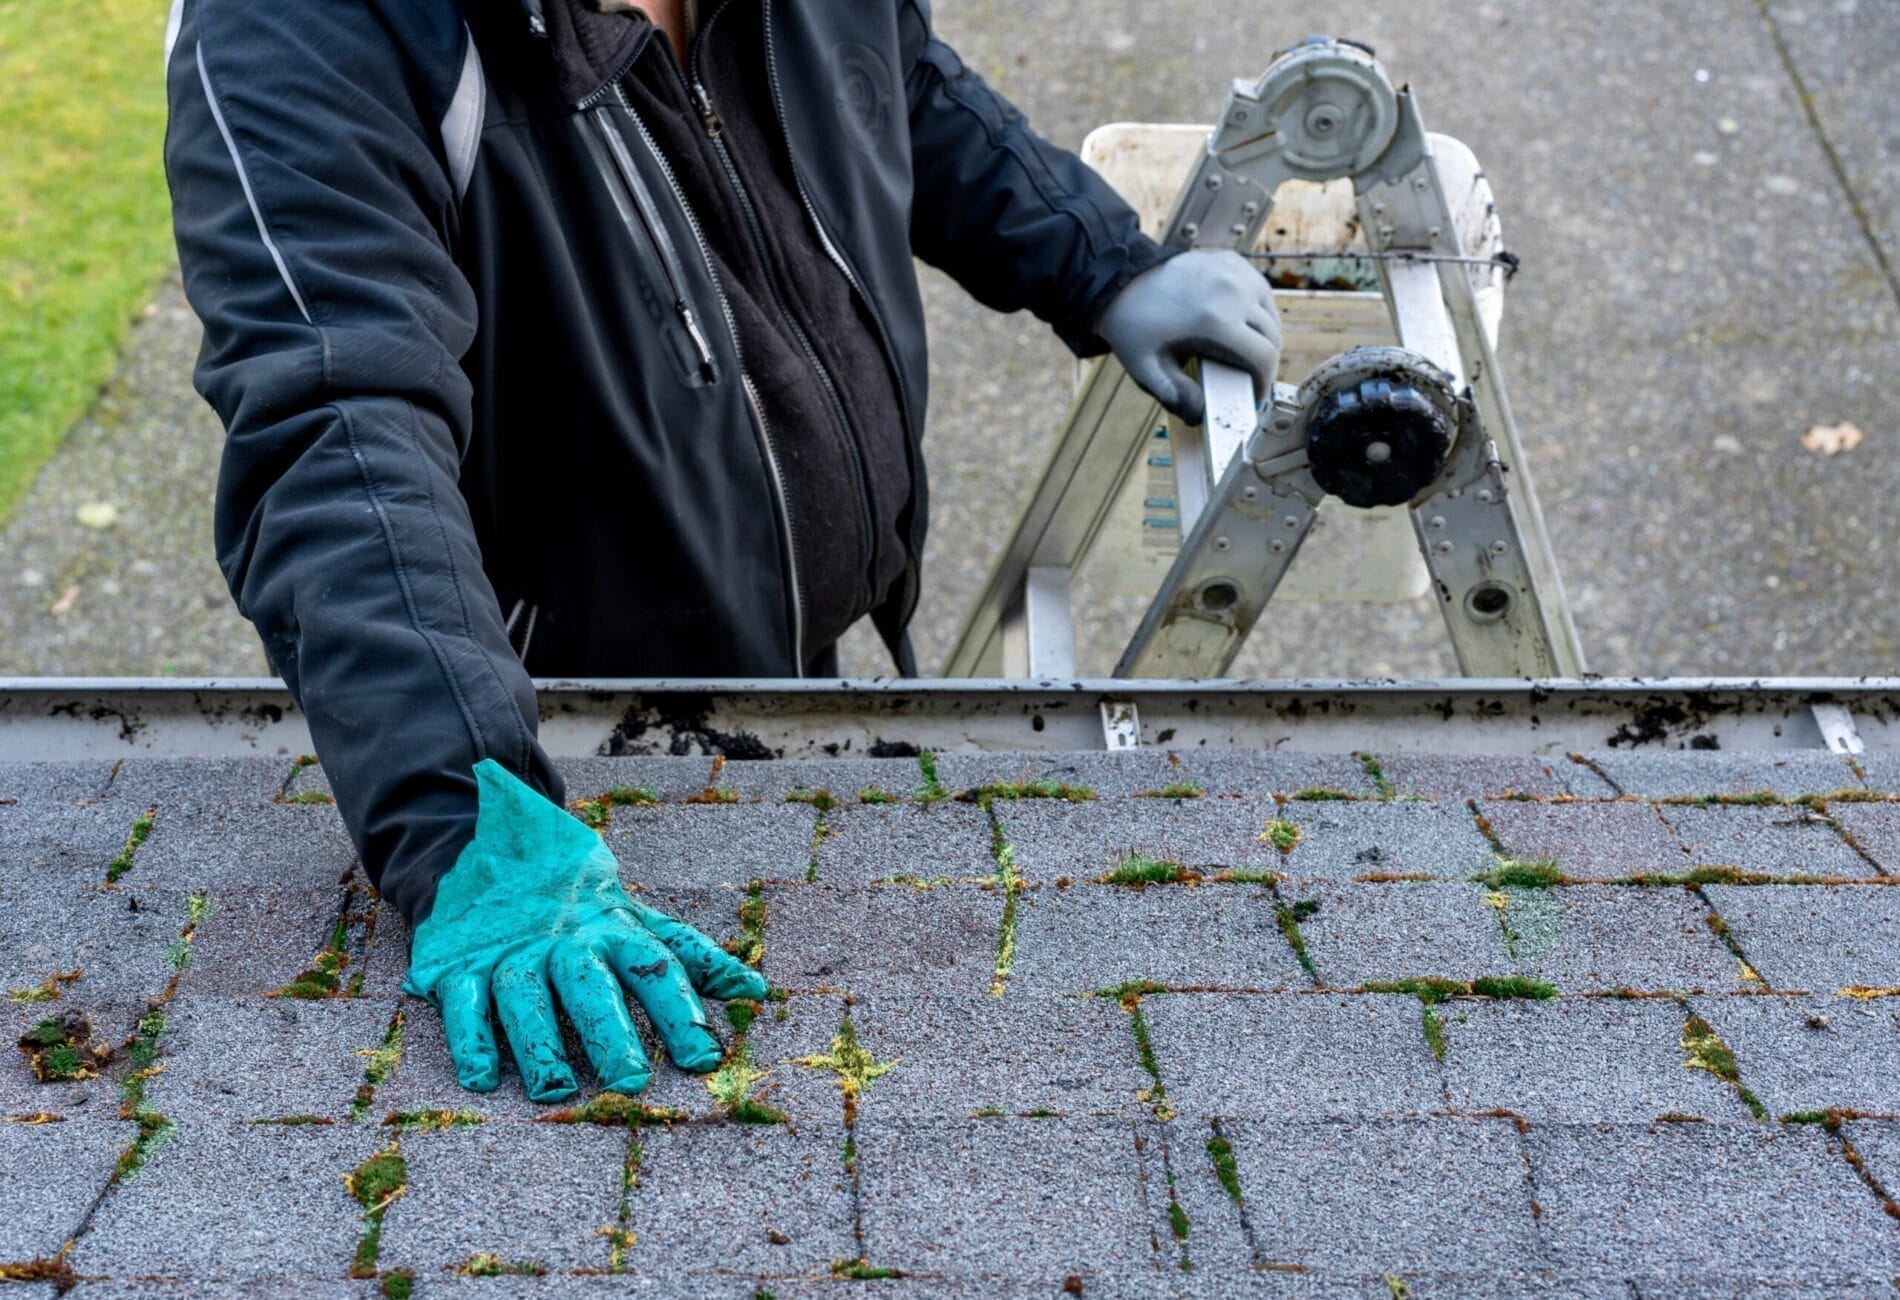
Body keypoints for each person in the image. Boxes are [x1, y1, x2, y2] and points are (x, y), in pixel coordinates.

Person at [163, 0, 1282, 1100]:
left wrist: (1098, 262)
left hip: (795, 662)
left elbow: (892, 84)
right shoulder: (300, 27)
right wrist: (468, 809)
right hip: (557, 757)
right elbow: (338, 424)